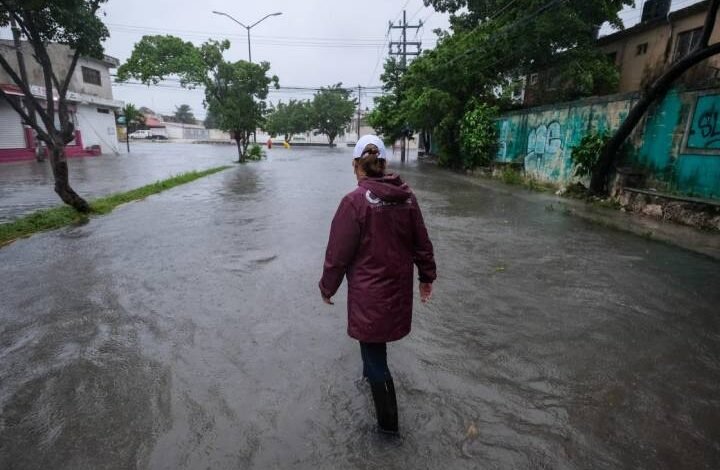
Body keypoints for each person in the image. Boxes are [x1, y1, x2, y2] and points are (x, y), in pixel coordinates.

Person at [319, 134, 436, 434]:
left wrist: (327, 287)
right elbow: (422, 242)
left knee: (374, 355)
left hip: (369, 295)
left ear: (356, 165)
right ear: (384, 165)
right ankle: (367, 381)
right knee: (375, 349)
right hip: (397, 293)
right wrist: (426, 277)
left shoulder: (354, 202)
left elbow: (338, 253)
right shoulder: (407, 197)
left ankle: (389, 430)